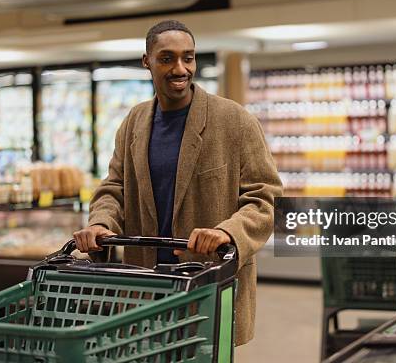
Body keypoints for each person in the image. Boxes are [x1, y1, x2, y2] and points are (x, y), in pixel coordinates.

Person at [74, 19, 282, 346]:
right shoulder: (134, 123)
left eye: (189, 57)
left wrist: (228, 232)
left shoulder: (234, 120)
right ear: (147, 62)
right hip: (146, 286)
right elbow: (114, 189)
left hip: (208, 281)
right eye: (167, 58)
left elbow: (263, 199)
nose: (180, 68)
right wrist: (101, 223)